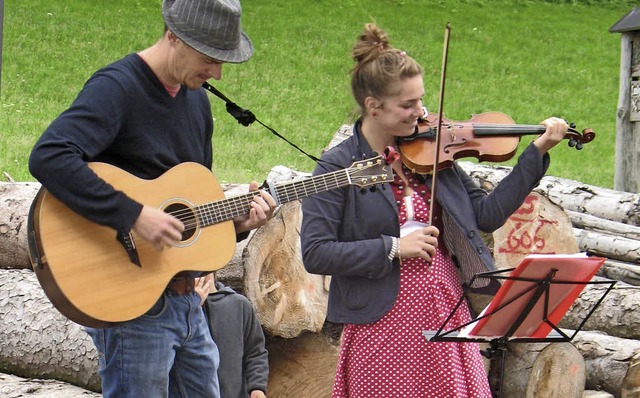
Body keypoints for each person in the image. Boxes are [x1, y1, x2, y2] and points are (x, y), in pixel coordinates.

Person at [300, 23, 569, 398]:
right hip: (380, 325)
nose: (420, 113)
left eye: (421, 101)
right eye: (407, 105)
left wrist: (535, 154)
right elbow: (316, 251)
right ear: (373, 106)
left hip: (443, 313)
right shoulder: (338, 167)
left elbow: (487, 214)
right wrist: (395, 246)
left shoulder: (429, 155)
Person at [28, 0, 276, 397]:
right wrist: (132, 215)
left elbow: (189, 208)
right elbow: (49, 156)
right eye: (210, 58)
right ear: (174, 36)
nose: (217, 72)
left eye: (222, 61)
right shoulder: (118, 87)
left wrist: (238, 222)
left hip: (188, 305)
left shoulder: (196, 102)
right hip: (131, 303)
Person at [194, 274, 269, 398]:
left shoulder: (239, 305)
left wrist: (257, 387)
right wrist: (192, 309)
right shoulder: (180, 312)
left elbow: (255, 352)